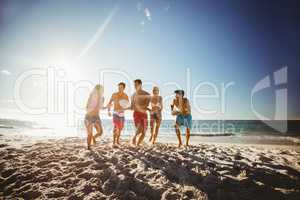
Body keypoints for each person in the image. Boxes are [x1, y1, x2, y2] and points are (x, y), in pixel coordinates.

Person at [84, 84, 105, 150]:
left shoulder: (102, 98)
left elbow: (101, 107)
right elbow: (87, 107)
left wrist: (107, 106)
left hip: (96, 117)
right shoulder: (91, 96)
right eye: (98, 90)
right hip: (89, 117)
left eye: (101, 90)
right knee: (89, 133)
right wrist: (91, 109)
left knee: (100, 132)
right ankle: (89, 146)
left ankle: (94, 137)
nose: (100, 91)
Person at [131, 79, 151, 146]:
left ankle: (137, 144)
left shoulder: (147, 94)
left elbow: (146, 104)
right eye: (134, 85)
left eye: (136, 85)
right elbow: (132, 107)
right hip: (136, 114)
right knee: (139, 128)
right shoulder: (133, 95)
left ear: (140, 85)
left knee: (144, 132)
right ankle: (134, 137)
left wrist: (146, 108)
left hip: (144, 114)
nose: (135, 86)